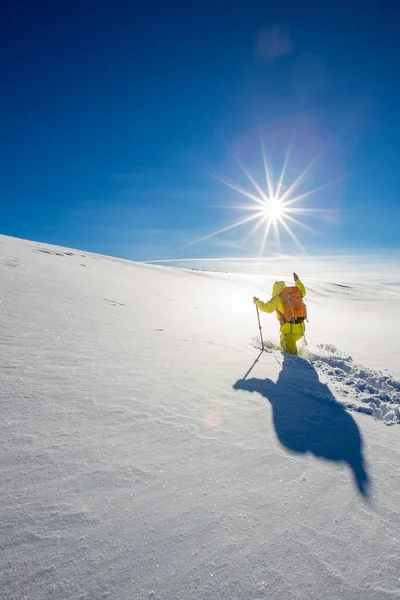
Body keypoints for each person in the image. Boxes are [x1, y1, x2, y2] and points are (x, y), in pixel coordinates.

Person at [253, 273, 306, 355]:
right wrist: (297, 280)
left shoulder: (277, 299)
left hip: (289, 332)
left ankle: (297, 366)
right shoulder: (294, 294)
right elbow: (303, 291)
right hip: (301, 329)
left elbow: (266, 308)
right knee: (283, 340)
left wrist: (257, 302)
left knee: (292, 358)